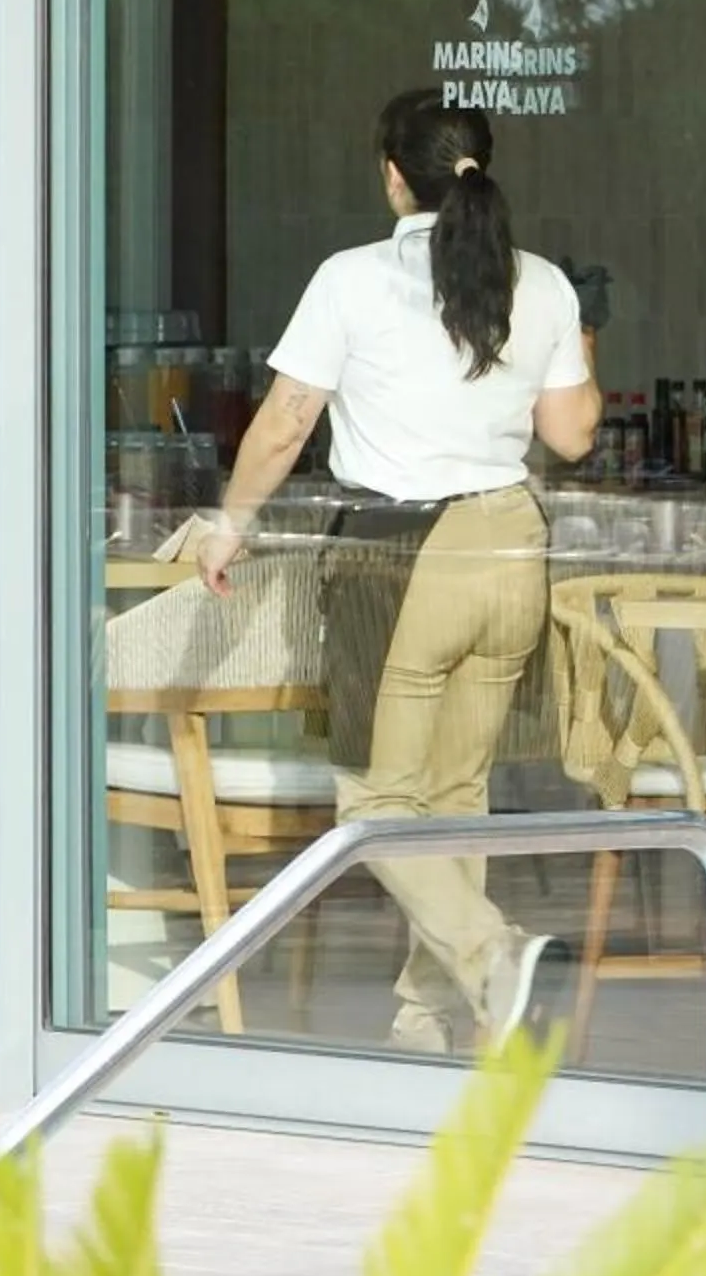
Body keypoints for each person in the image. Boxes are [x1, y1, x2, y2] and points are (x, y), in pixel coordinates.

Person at [200, 88, 600, 1052]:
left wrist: (229, 523)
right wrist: (585, 333)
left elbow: (287, 422)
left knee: (377, 799)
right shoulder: (544, 283)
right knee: (455, 794)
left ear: (393, 176)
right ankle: (433, 1017)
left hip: (402, 552)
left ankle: (493, 959)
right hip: (511, 544)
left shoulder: (352, 279)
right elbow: (572, 435)